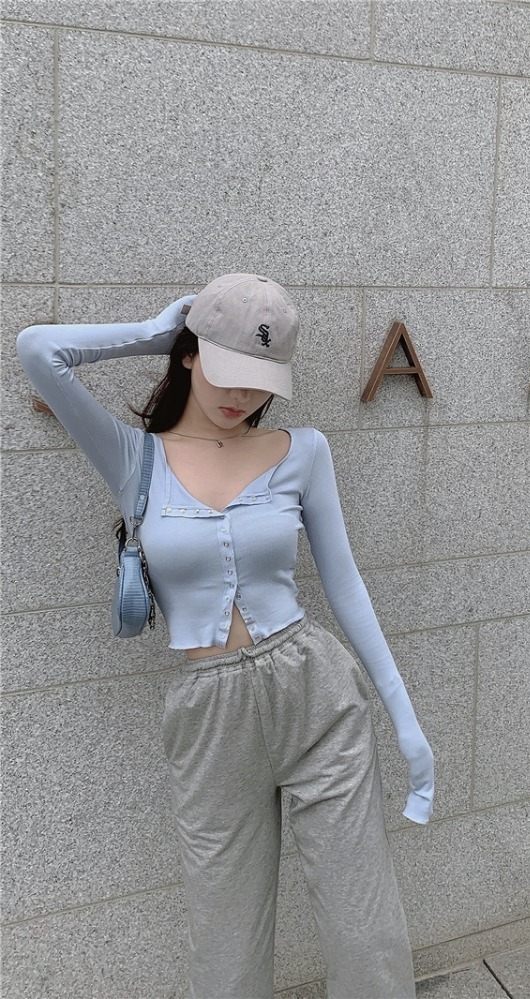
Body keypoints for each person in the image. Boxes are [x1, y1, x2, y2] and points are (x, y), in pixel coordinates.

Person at [16, 273, 435, 999]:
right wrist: (154, 333)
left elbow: (345, 586)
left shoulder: (303, 450)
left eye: (259, 379)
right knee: (225, 941)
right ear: (189, 354)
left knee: (365, 928)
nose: (241, 394)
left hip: (316, 693)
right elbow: (37, 350)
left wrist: (406, 719)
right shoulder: (134, 457)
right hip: (210, 717)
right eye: (225, 368)